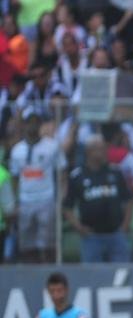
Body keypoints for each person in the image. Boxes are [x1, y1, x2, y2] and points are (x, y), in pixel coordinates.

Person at [62, 135, 133, 263]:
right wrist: (79, 227)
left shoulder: (116, 172)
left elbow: (128, 201)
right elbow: (67, 207)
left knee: (121, 271)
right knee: (93, 273)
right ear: (89, 152)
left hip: (115, 234)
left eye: (104, 148)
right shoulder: (77, 176)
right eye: (100, 149)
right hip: (91, 237)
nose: (104, 152)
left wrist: (125, 226)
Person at [11, 112, 66, 264]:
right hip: (25, 200)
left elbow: (62, 172)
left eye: (36, 122)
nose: (32, 126)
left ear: (40, 125)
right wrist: (16, 201)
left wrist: (61, 195)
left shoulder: (52, 146)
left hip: (46, 198)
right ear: (24, 125)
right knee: (27, 244)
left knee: (48, 244)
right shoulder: (17, 150)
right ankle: (30, 272)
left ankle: (49, 271)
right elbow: (15, 177)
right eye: (29, 122)